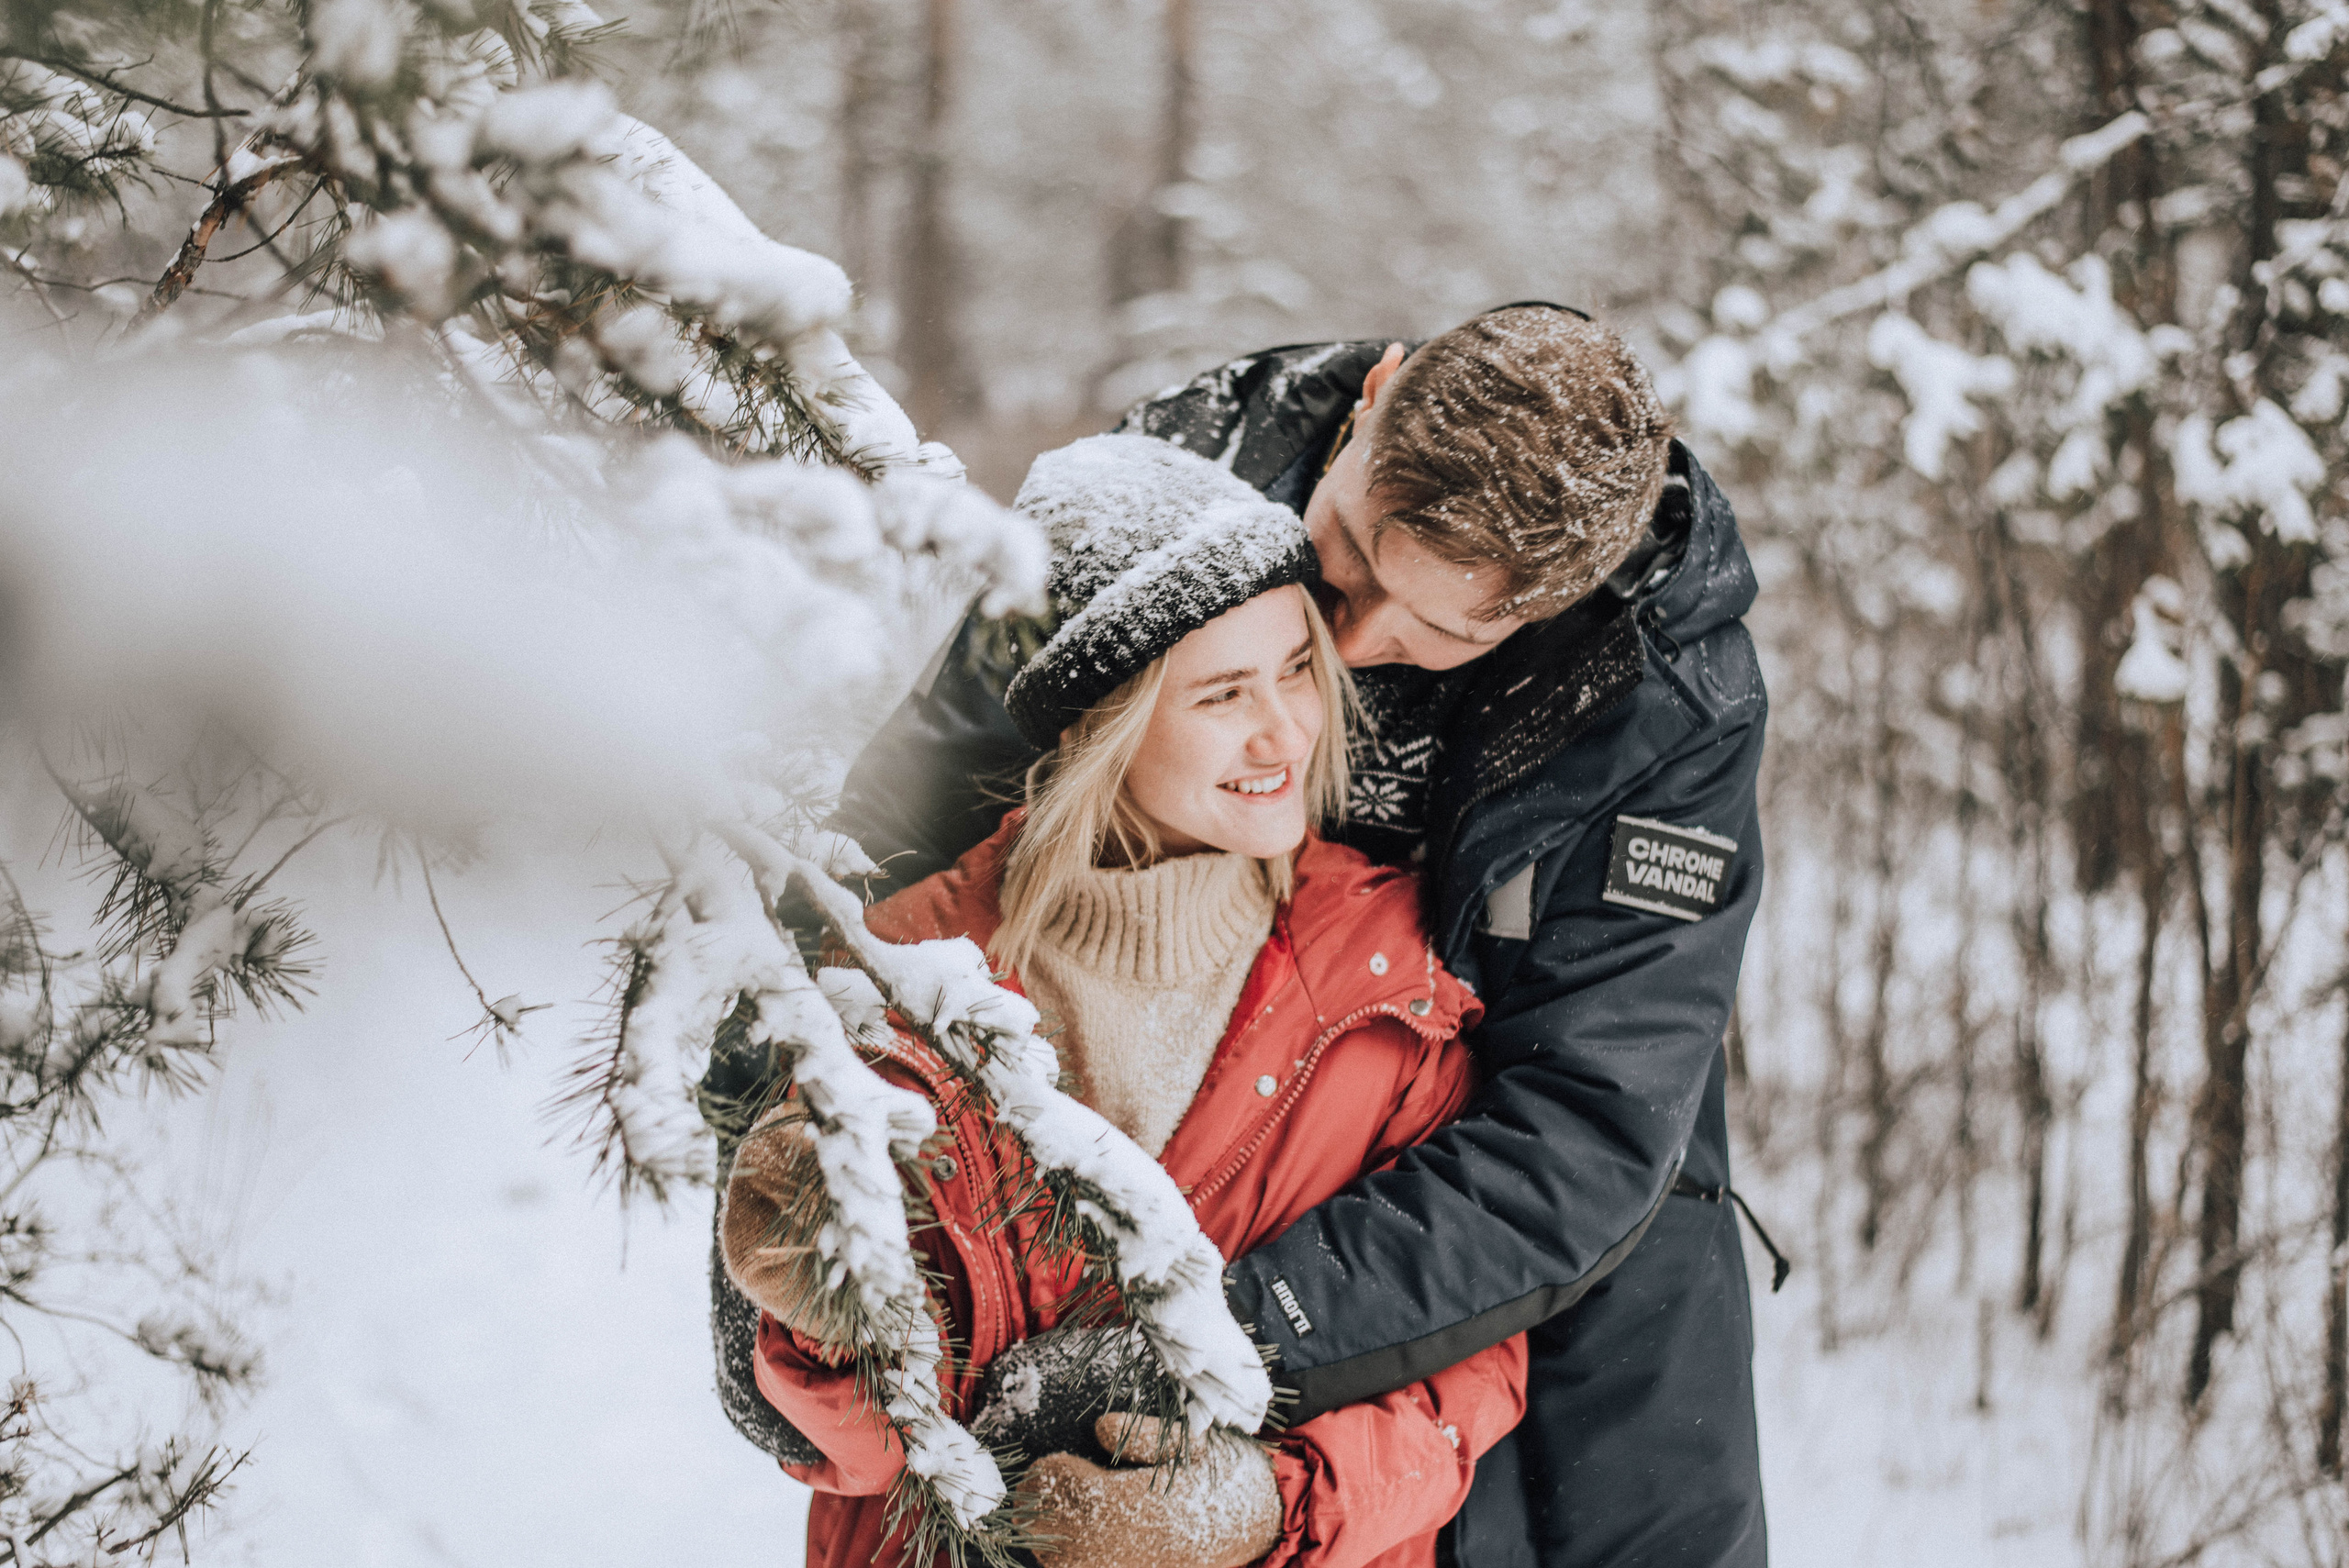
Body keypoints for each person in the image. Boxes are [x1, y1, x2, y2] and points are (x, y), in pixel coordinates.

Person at [809, 305, 1774, 1567]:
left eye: (1441, 631)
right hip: (1167, 1067)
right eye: (1352, 554)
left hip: (1513, 1183)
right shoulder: (1191, 464)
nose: (1355, 644)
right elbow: (938, 792)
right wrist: (783, 1116)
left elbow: (1586, 1128)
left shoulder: (1669, 702)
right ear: (1374, 398)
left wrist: (1221, 1335)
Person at [720, 432, 1527, 1568]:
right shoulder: (905, 969)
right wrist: (824, 1317)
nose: (1285, 729)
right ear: (1105, 716)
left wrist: (1265, 1502)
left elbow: (1469, 1366)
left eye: (1297, 668)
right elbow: (859, 1455)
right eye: (1223, 692)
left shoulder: (1393, 979)